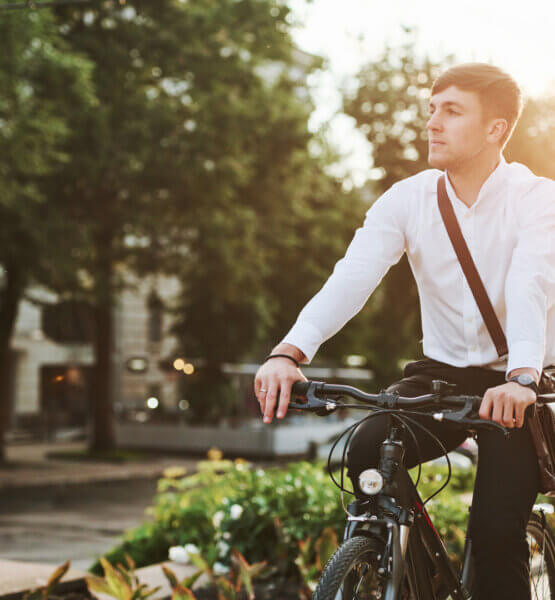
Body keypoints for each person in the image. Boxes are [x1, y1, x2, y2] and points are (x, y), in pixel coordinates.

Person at [253, 62, 555, 599]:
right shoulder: (407, 199)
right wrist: (289, 351)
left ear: (496, 130)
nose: (432, 123)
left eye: (452, 111)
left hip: (517, 387)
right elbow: (352, 276)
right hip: (441, 375)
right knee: (364, 453)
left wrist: (523, 378)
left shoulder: (537, 200)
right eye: (431, 110)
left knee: (493, 540)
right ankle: (407, 565)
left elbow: (531, 281)